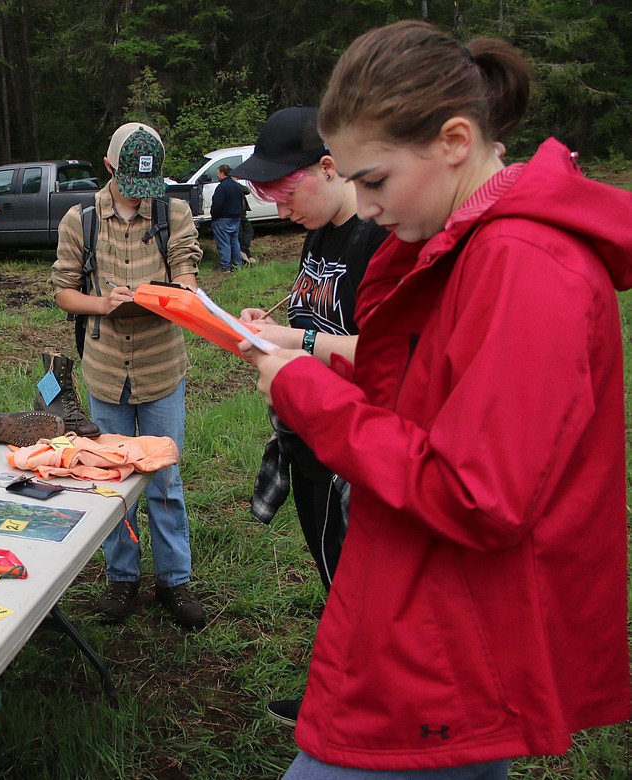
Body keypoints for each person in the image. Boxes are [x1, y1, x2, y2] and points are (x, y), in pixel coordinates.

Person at [238, 21, 630, 778]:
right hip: (438, 621)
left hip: (456, 644)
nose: (365, 204)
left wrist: (311, 394)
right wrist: (318, 377)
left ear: (454, 141)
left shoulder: (522, 265)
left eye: (375, 180)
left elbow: (476, 492)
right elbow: (428, 400)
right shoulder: (471, 247)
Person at [231, 106, 389, 726]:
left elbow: (377, 355)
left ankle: (365, 708)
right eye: (264, 192)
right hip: (309, 435)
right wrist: (269, 332)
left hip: (353, 444)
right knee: (335, 575)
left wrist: (292, 345)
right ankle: (341, 692)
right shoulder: (320, 234)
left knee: (364, 585)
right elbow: (310, 321)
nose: (276, 204)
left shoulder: (377, 238)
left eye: (284, 190)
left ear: (329, 167)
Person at [51, 122, 206, 629]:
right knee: (110, 476)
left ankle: (174, 581)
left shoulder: (173, 212)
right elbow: (64, 291)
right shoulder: (80, 220)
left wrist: (173, 293)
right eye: (130, 184)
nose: (140, 197)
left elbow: (187, 270)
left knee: (163, 476)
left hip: (162, 367)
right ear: (110, 167)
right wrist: (105, 304)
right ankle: (122, 577)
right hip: (105, 368)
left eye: (149, 187)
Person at [210, 163, 246, 271]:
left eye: (218, 173)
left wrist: (213, 216)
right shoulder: (236, 185)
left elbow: (217, 204)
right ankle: (237, 264)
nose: (217, 175)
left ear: (222, 173)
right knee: (234, 242)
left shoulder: (222, 187)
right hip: (235, 218)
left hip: (223, 219)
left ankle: (225, 266)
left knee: (224, 242)